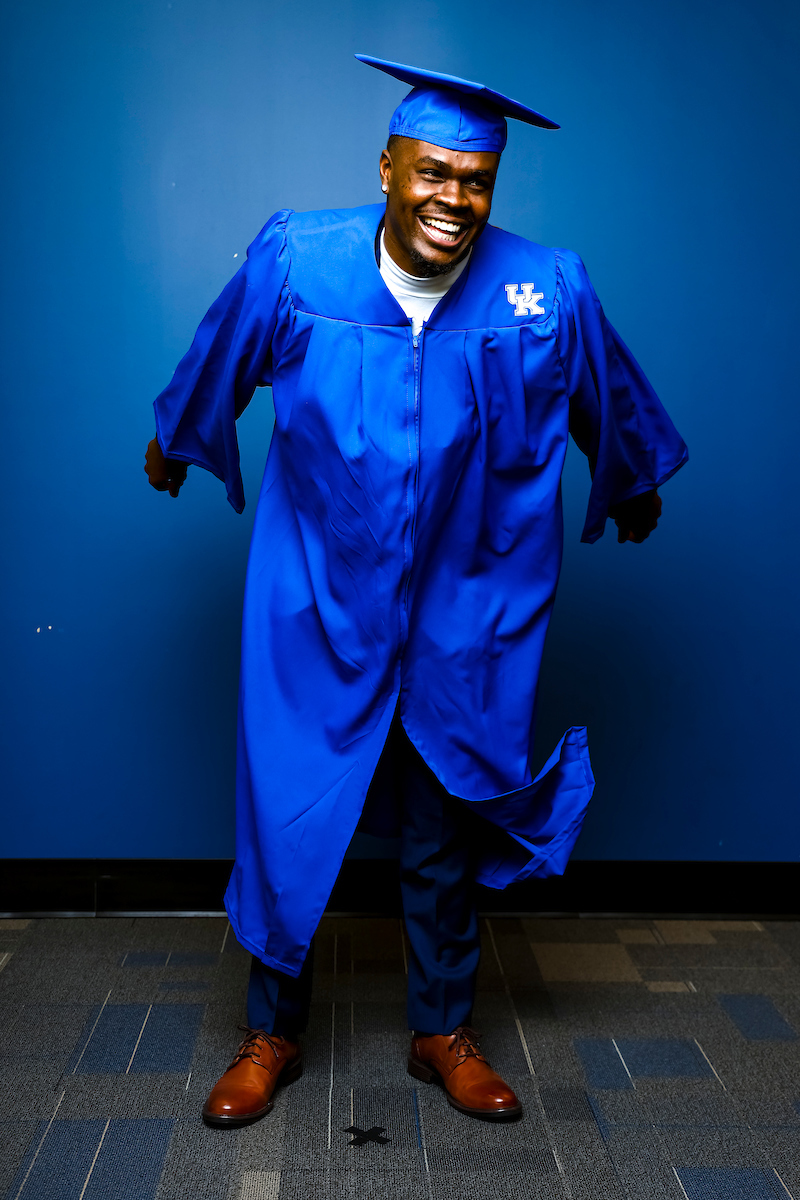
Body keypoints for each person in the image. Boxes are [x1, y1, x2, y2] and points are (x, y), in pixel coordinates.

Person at [145, 55, 687, 1125]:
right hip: (316, 596)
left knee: (446, 815)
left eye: (476, 179)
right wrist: (174, 439)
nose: (454, 199)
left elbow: (612, 405)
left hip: (470, 605)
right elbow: (215, 362)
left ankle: (441, 1028)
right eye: (432, 171)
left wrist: (629, 482)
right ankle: (272, 1031)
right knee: (290, 811)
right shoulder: (298, 260)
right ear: (387, 166)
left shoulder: (546, 287)